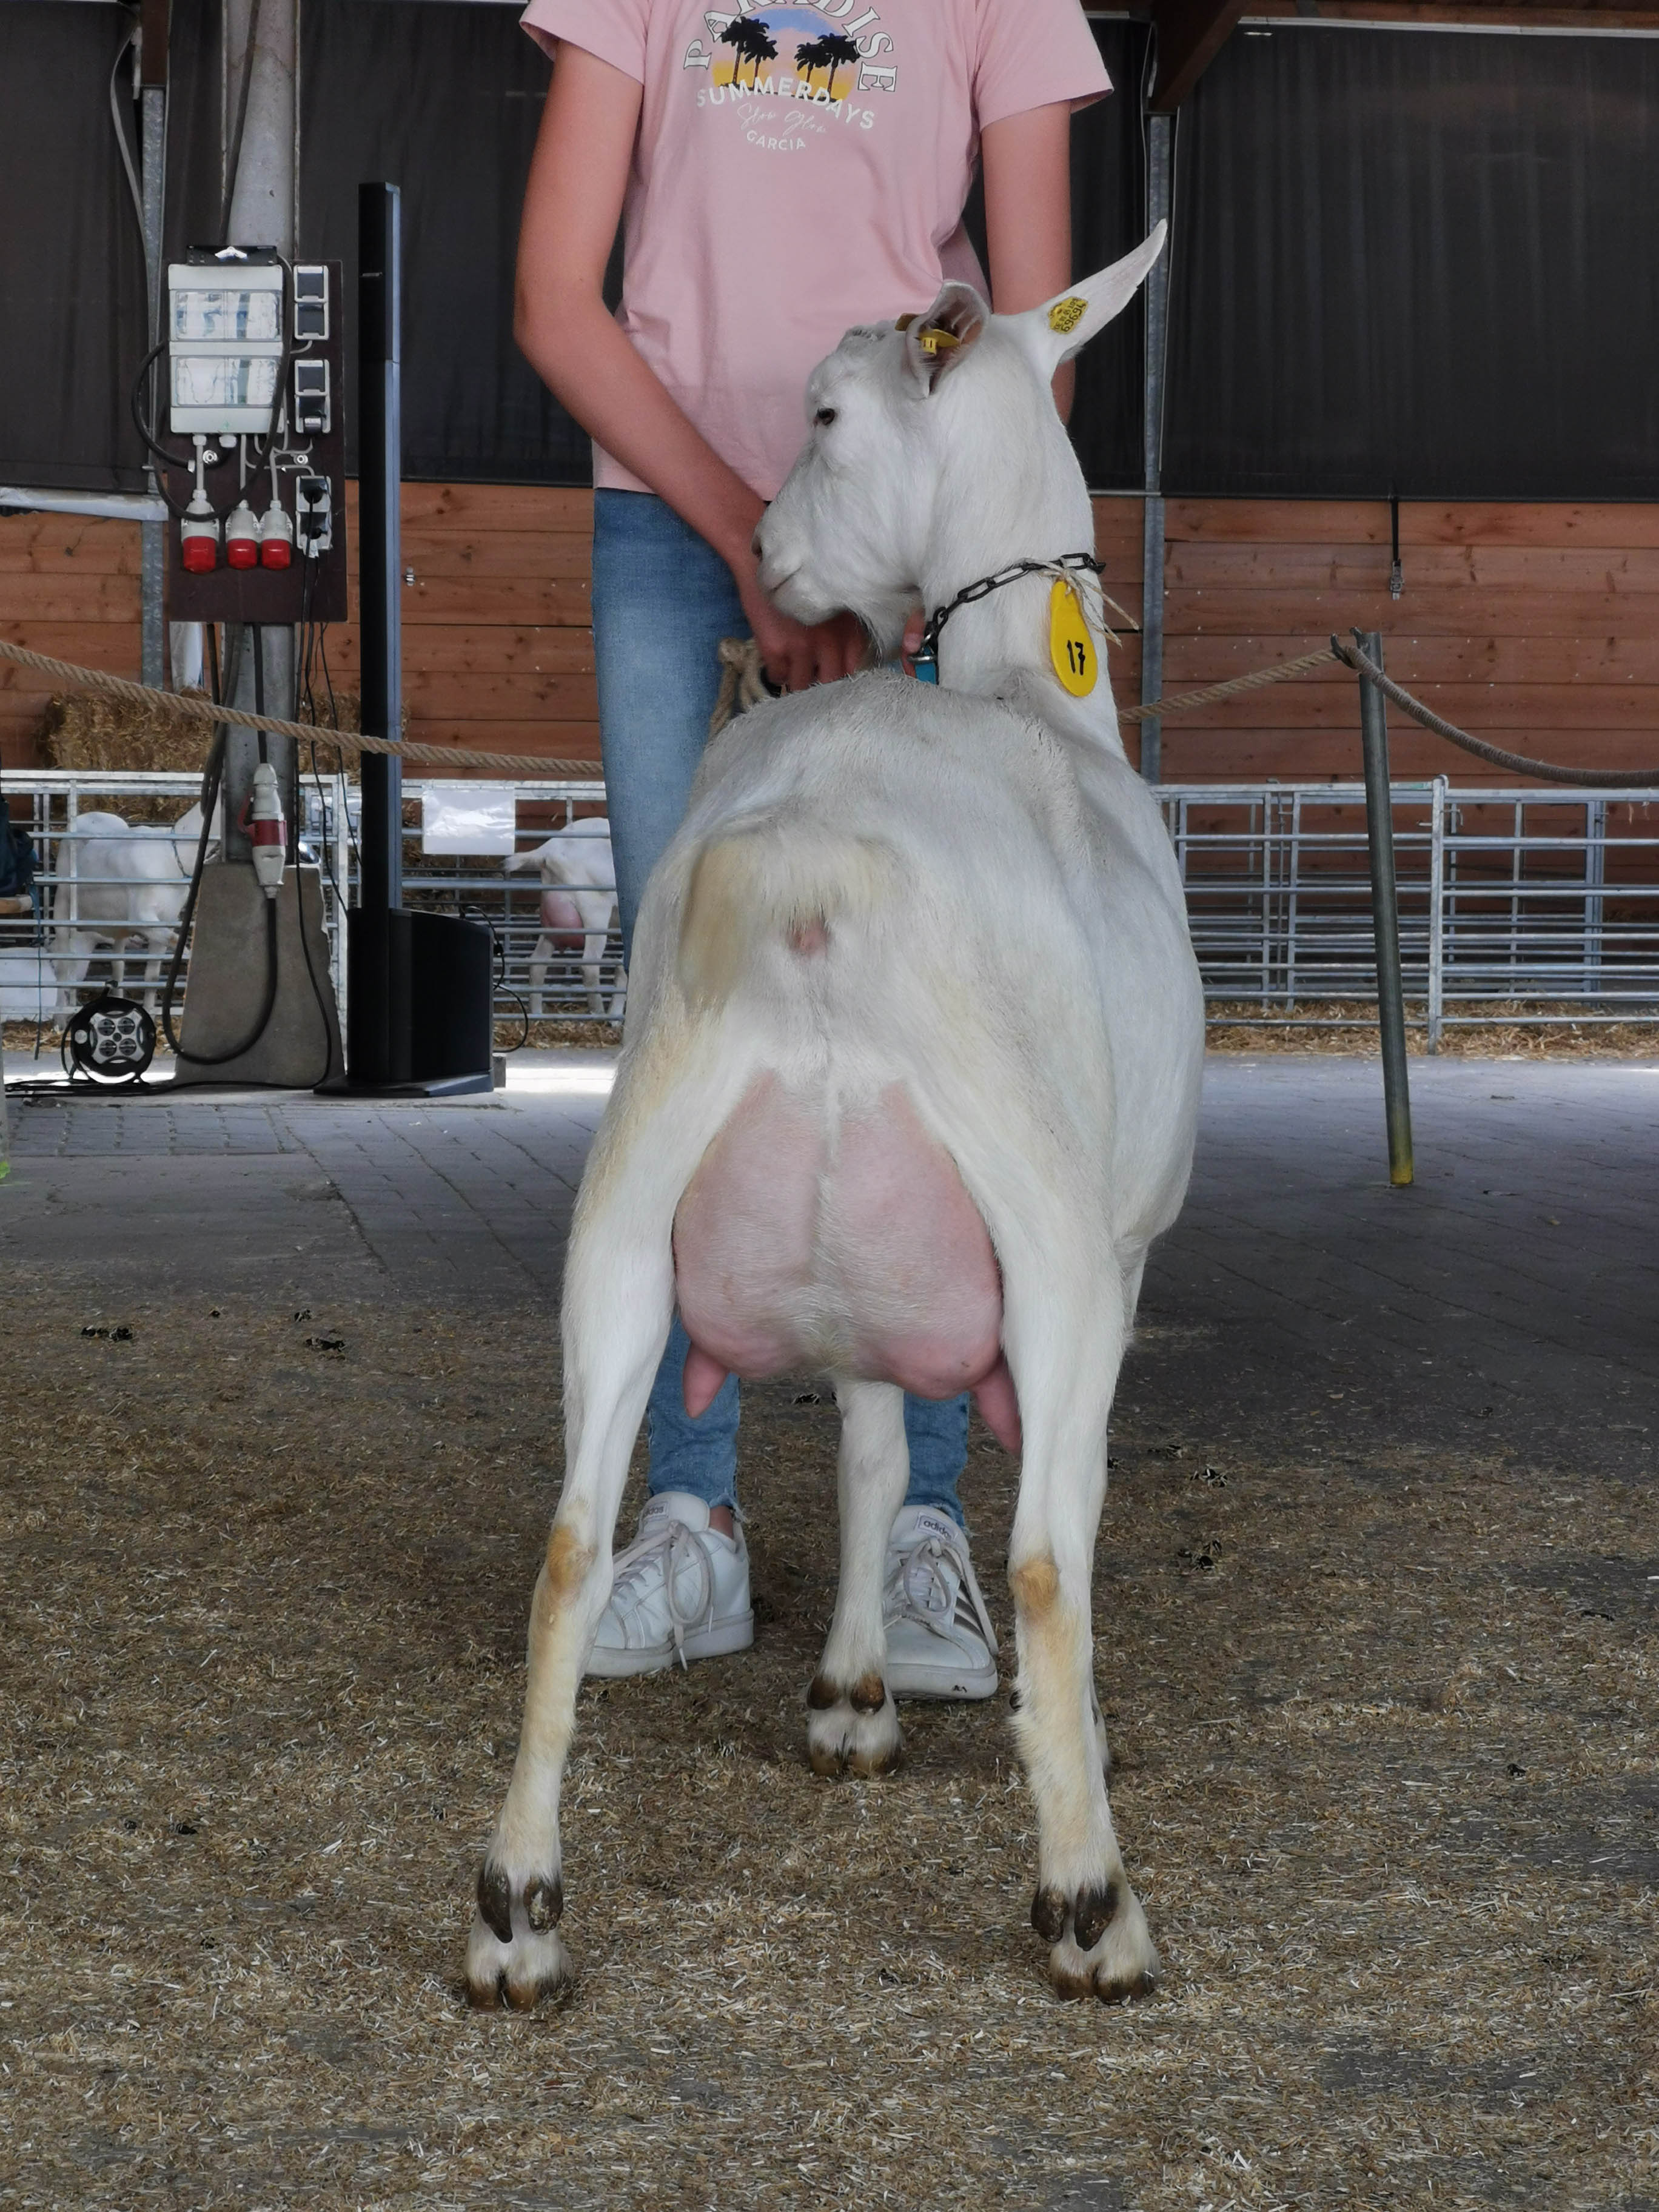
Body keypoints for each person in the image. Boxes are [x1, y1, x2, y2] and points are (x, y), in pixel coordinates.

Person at [515, 0, 1110, 1695]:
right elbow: (555, 295)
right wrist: (755, 539)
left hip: (906, 519)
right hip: (673, 515)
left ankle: (922, 1527)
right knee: (683, 1006)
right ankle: (688, 1515)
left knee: (949, 1010)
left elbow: (1029, 341)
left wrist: (883, 545)